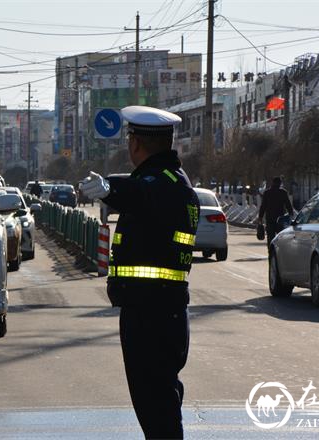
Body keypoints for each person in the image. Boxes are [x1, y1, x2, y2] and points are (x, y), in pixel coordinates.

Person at [81, 105, 199, 439]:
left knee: (156, 406)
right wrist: (112, 188)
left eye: (130, 138)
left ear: (135, 144)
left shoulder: (166, 183)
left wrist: (109, 189)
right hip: (159, 310)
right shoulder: (169, 180)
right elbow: (141, 192)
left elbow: (143, 193)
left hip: (154, 315)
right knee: (158, 405)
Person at [258, 177, 294, 247]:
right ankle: (279, 252)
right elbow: (288, 205)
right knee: (280, 237)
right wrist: (291, 214)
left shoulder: (267, 193)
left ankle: (271, 253)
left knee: (270, 238)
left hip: (269, 219)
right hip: (280, 219)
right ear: (280, 183)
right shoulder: (283, 192)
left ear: (272, 183)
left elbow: (263, 207)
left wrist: (260, 217)